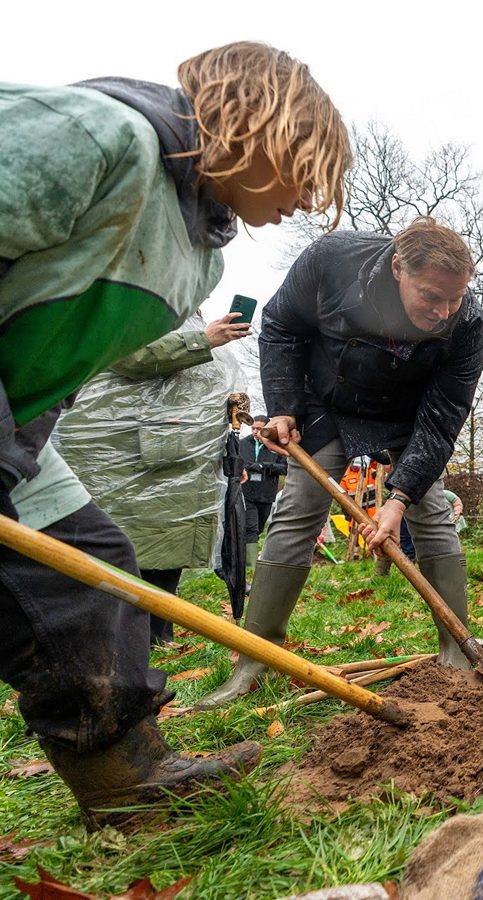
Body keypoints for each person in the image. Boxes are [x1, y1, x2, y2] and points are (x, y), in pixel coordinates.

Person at [0, 42, 350, 825]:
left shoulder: (196, 257)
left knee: (95, 574)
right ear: (257, 128)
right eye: (305, 166)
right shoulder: (96, 137)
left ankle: (126, 781)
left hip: (18, 436)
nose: (308, 195)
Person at [198, 216, 483, 708]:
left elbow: (443, 418)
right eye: (432, 296)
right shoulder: (331, 262)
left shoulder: (467, 324)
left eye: (455, 298)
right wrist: (285, 405)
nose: (444, 311)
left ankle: (456, 657)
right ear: (399, 267)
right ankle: (255, 661)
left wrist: (398, 498)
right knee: (296, 512)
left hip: (409, 416)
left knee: (432, 516)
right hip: (328, 401)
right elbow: (282, 327)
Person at [52, 311, 253, 641]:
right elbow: (130, 352)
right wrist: (204, 340)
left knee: (160, 550)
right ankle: (129, 642)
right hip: (133, 453)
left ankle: (153, 637)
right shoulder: (132, 293)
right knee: (130, 550)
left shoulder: (177, 303)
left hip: (167, 453)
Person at [241, 414, 288, 566]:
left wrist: (264, 466)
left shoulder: (277, 446)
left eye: (259, 429)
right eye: (253, 428)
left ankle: (248, 556)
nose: (255, 431)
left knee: (259, 528)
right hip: (246, 492)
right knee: (251, 527)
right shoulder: (242, 443)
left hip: (266, 493)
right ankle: (251, 562)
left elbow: (285, 468)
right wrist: (247, 467)